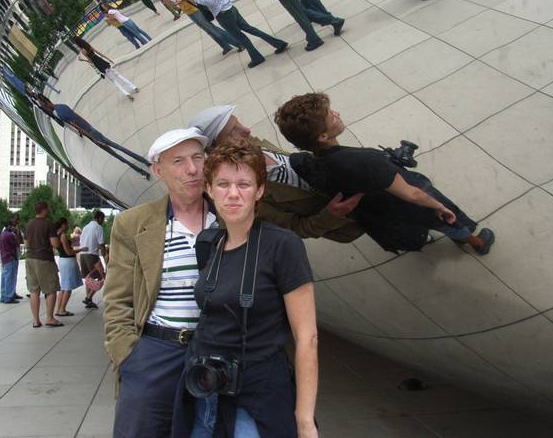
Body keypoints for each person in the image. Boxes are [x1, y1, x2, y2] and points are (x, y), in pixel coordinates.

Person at [171, 138, 318, 438]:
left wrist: (304, 421)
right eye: (223, 184)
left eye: (244, 184)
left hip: (256, 399)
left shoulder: (283, 245)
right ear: (209, 190)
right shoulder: (209, 243)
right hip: (203, 391)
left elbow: (308, 338)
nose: (233, 194)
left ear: (260, 190)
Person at [274, 93, 495, 255]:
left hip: (382, 211)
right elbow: (413, 195)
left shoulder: (304, 162)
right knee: (447, 219)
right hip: (405, 203)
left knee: (434, 221)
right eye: (331, 116)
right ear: (323, 136)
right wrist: (439, 206)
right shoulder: (364, 161)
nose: (337, 114)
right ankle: (475, 242)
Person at [104, 127, 216, 438]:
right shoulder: (134, 224)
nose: (192, 169)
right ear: (158, 171)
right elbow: (117, 298)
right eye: (178, 161)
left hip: (217, 348)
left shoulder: (227, 218)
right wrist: (127, 355)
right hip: (156, 351)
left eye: (197, 157)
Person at [189, 105, 363, 243]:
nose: (247, 130)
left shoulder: (254, 144)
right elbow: (296, 229)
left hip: (355, 187)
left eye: (239, 123)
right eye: (234, 131)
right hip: (352, 221)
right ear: (214, 149)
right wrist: (331, 215)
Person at [178, 0, 288, 69]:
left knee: (240, 37)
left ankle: (257, 57)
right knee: (250, 29)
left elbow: (209, 1)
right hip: (230, 8)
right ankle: (278, 43)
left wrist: (195, 0)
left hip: (223, 13)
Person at [36, 95, 151, 179]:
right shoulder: (62, 106)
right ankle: (144, 161)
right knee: (118, 147)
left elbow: (76, 126)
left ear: (46, 103)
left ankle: (141, 172)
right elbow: (78, 117)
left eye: (42, 105)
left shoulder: (59, 114)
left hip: (90, 134)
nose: (43, 107)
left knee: (117, 155)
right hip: (90, 128)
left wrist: (92, 138)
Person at [155, 0, 242, 55]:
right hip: (188, 12)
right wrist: (169, 2)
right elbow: (176, 2)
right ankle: (225, 46)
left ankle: (239, 43)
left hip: (195, 9)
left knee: (211, 29)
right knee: (207, 30)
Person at [25, 201, 64, 328]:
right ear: (44, 210)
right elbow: (55, 244)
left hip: (30, 258)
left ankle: (36, 321)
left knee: (34, 290)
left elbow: (26, 243)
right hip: (44, 259)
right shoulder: (48, 224)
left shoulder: (29, 224)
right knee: (51, 288)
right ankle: (50, 318)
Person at [73, 37, 139, 100]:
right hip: (101, 61)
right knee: (118, 75)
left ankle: (126, 93)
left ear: (77, 44)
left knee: (114, 81)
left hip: (98, 65)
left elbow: (91, 62)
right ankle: (134, 87)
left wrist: (83, 60)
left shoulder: (83, 51)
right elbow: (99, 53)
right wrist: (108, 59)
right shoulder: (87, 45)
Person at [54, 217, 83, 317]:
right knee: (68, 287)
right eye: (66, 224)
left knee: (64, 286)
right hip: (68, 261)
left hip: (63, 260)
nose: (67, 226)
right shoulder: (62, 236)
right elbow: (68, 251)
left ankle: (59, 309)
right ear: (63, 224)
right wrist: (81, 249)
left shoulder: (56, 235)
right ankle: (62, 309)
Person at [80, 210, 107, 309]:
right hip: (92, 254)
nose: (103, 221)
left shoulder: (86, 227)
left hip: (83, 255)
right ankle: (88, 297)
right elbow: (101, 244)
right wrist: (105, 257)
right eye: (103, 219)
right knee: (101, 276)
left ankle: (89, 299)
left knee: (89, 278)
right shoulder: (98, 228)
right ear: (99, 218)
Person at [0, 218, 21, 304]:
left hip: (4, 258)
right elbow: (17, 244)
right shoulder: (11, 235)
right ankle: (9, 297)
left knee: (4, 278)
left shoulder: (2, 235)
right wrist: (16, 233)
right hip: (11, 258)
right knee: (10, 278)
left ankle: (3, 296)